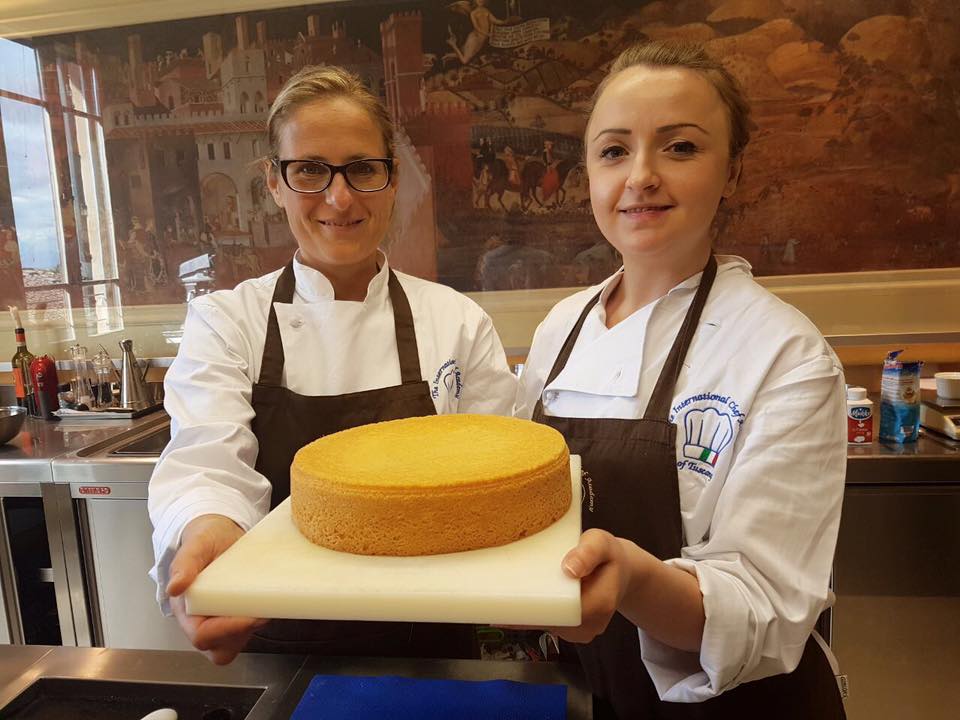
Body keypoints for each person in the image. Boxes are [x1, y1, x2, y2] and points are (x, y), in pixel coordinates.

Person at [515, 42, 847, 718]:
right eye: (613, 151)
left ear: (733, 173)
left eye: (681, 148)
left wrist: (635, 580)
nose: (639, 177)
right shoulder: (560, 329)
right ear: (587, 174)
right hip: (587, 693)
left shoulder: (784, 355)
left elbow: (764, 611)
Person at [149, 65, 518, 665]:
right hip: (274, 631)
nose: (339, 197)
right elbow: (207, 461)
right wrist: (207, 529)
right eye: (311, 170)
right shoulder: (229, 321)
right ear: (274, 183)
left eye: (363, 169)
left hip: (435, 632)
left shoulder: (456, 320)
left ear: (392, 179)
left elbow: (496, 471)